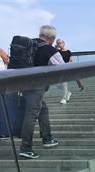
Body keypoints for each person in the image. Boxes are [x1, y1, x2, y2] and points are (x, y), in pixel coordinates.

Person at [18, 25, 61, 159]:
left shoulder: (28, 45)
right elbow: (64, 67)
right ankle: (26, 147)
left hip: (22, 84)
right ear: (51, 38)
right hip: (36, 86)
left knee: (43, 109)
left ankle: (47, 138)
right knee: (31, 115)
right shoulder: (48, 49)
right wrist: (79, 81)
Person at [56, 39, 84, 104]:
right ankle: (68, 92)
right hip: (59, 69)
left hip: (66, 68)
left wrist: (67, 65)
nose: (59, 44)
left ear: (63, 43)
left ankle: (64, 98)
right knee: (57, 84)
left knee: (64, 82)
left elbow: (71, 61)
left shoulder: (68, 52)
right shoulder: (57, 52)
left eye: (60, 43)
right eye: (57, 43)